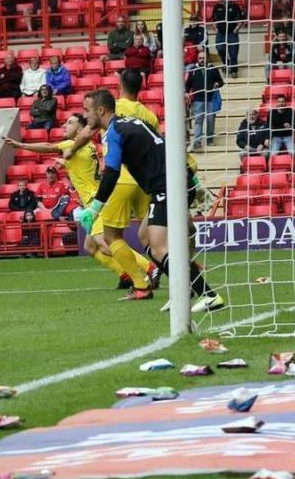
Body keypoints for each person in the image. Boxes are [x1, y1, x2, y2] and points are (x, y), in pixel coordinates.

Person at [78, 89, 224, 312]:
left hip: (167, 186)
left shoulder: (114, 132)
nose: (84, 115)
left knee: (158, 248)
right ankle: (182, 293)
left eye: (87, 110)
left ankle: (208, 295)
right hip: (174, 182)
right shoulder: (134, 122)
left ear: (100, 110)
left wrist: (95, 209)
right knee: (144, 236)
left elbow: (112, 172)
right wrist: (194, 181)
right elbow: (167, 148)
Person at [57, 69, 161, 293]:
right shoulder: (149, 114)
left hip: (120, 181)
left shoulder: (112, 110)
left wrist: (71, 150)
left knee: (110, 237)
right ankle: (180, 270)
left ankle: (143, 279)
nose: (86, 115)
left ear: (120, 86)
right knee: (150, 235)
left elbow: (87, 134)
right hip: (145, 181)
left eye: (87, 111)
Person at [185, 51, 224, 150]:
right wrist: (186, 93)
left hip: (211, 99)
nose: (202, 60)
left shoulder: (213, 68)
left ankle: (210, 140)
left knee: (211, 120)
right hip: (198, 100)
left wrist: (217, 84)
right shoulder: (193, 70)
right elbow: (188, 84)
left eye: (204, 58)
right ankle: (197, 142)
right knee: (198, 121)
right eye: (200, 58)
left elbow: (221, 81)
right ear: (197, 59)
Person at [211, 0, 246, 78]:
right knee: (220, 49)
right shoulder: (217, 6)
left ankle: (234, 71)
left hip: (232, 34)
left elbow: (241, 19)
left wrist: (237, 29)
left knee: (233, 53)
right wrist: (215, 28)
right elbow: (213, 19)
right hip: (221, 34)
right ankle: (226, 63)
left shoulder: (235, 6)